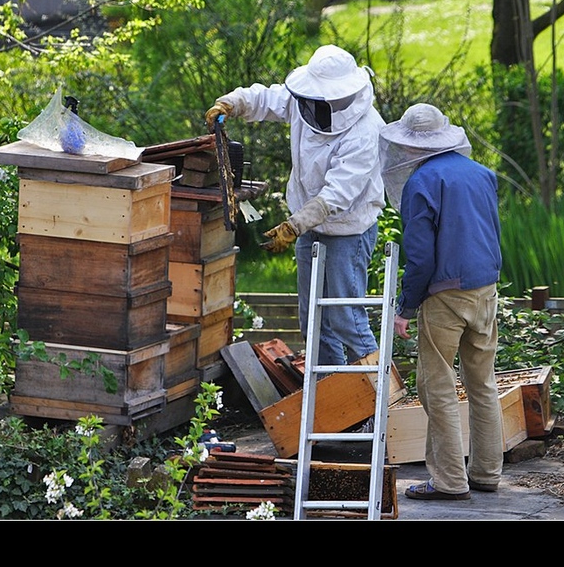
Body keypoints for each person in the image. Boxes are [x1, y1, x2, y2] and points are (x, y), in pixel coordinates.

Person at [205, 44, 386, 366]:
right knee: (313, 319)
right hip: (308, 227)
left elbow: (339, 192)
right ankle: (330, 396)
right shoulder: (306, 101)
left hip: (348, 231)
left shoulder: (365, 130)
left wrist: (294, 225)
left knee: (345, 316)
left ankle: (379, 395)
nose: (312, 104)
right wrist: (231, 102)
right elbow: (266, 99)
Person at [378, 103, 503, 500]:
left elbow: (420, 257)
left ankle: (449, 481)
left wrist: (406, 308)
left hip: (445, 295)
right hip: (486, 290)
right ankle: (487, 473)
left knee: (438, 387)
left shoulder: (420, 183)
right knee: (482, 383)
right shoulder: (483, 174)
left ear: (410, 146)